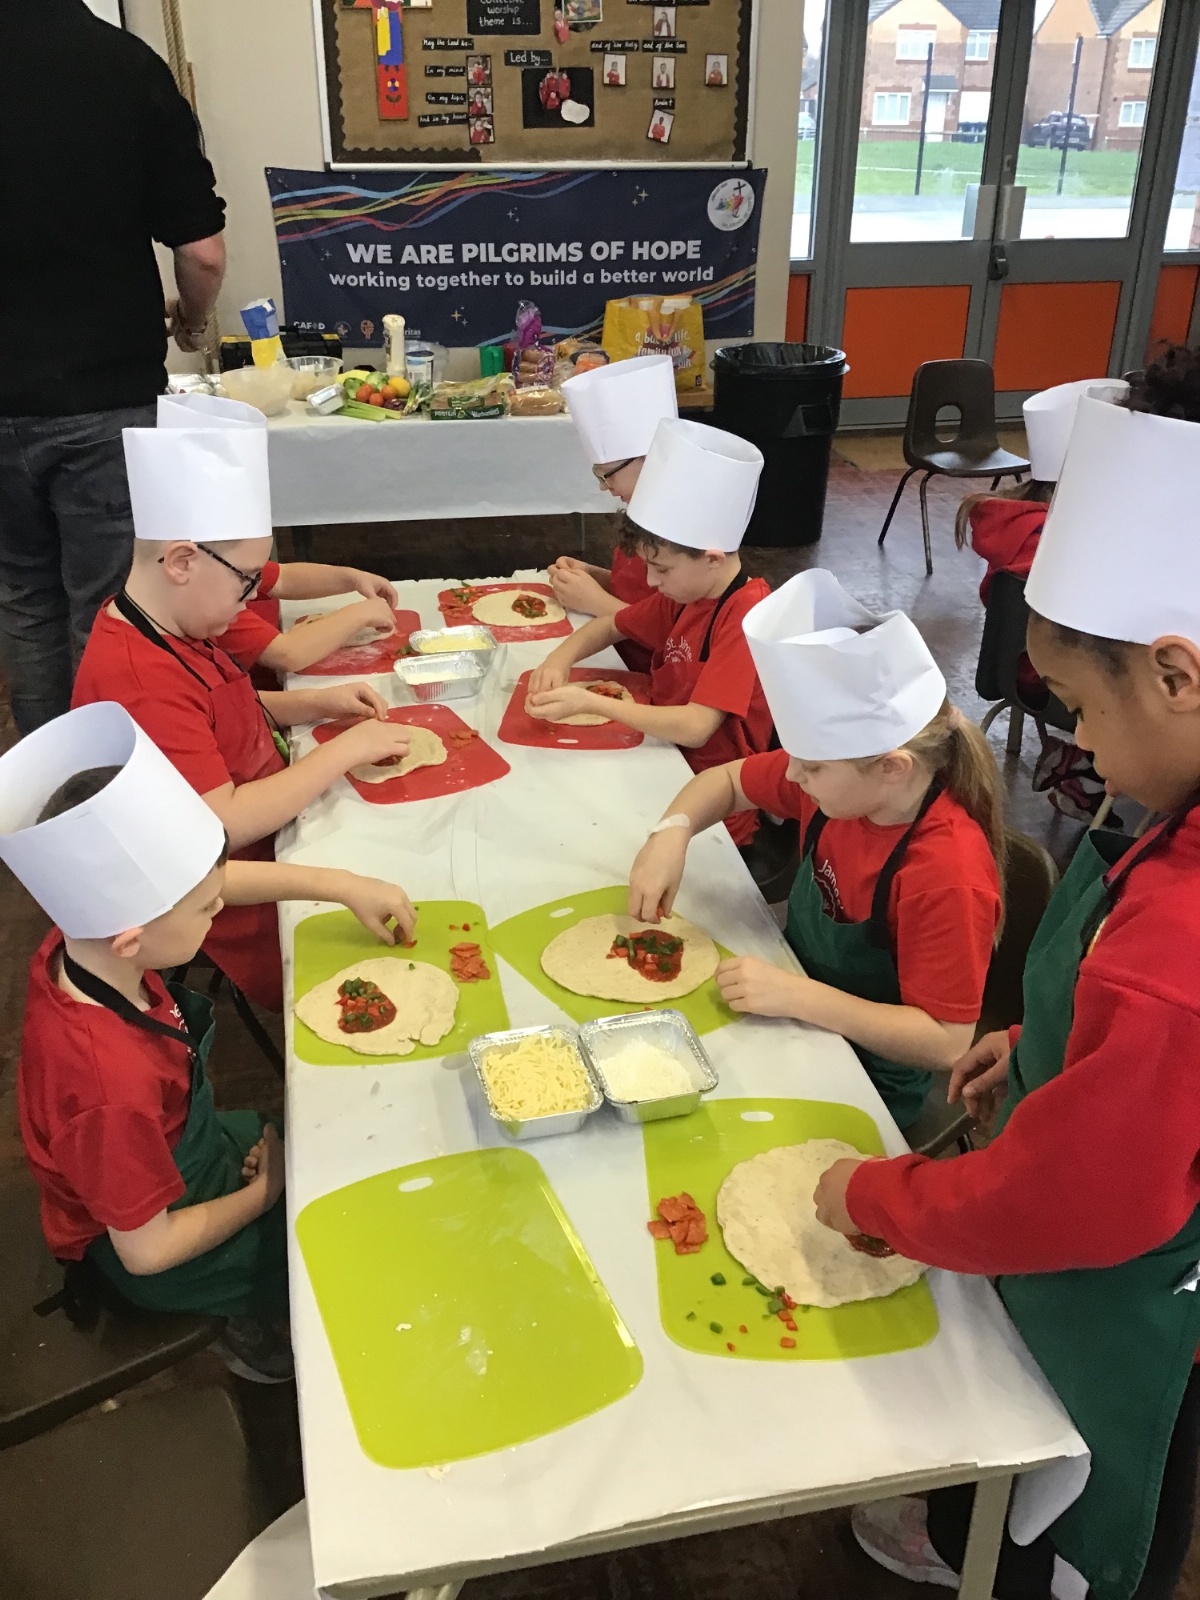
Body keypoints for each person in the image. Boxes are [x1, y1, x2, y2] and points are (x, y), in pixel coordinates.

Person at [818, 395, 1200, 1600]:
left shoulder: (1173, 950)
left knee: (1056, 1544)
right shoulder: (1170, 814)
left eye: (1079, 708)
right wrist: (1045, 1043)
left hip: (1130, 1320)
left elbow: (1070, 1196)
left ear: (1176, 674)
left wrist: (875, 1195)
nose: (1076, 747)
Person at [629, 570, 1004, 1130]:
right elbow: (726, 781)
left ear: (892, 767)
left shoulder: (947, 872)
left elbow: (945, 1041)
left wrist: (801, 998)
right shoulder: (840, 782)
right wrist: (672, 832)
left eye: (811, 767)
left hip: (867, 1074)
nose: (793, 776)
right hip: (789, 998)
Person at [71, 413, 414, 1012]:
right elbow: (222, 825)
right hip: (232, 888)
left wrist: (314, 703)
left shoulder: (171, 622)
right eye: (246, 583)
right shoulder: (139, 680)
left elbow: (219, 715)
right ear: (181, 562)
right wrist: (345, 749)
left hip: (278, 822)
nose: (255, 600)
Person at [9, 707, 280, 1378]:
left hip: (184, 1144)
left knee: (296, 1134)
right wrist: (266, 1193)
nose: (220, 911)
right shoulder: (108, 1088)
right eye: (208, 909)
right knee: (315, 1246)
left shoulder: (83, 948)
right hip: (143, 1246)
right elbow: (148, 1252)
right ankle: (252, 1335)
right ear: (132, 940)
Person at [0, 0, 226, 734]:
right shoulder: (124, 65)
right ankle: (110, 787)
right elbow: (201, 252)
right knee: (109, 613)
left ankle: (46, 788)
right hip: (103, 397)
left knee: (24, 605)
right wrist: (192, 321)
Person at [528, 418, 772, 848]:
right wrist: (558, 659)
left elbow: (696, 727)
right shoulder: (686, 593)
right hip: (662, 759)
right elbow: (610, 624)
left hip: (710, 812)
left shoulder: (746, 616)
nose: (651, 582)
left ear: (712, 559)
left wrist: (589, 702)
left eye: (661, 569)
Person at [157, 394, 401, 678]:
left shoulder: (222, 571)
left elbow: (282, 577)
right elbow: (287, 654)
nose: (252, 593)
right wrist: (360, 613)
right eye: (248, 579)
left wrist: (350, 578)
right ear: (182, 562)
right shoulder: (209, 601)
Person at [549, 354, 679, 627]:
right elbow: (638, 593)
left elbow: (669, 631)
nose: (602, 486)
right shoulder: (638, 512)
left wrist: (596, 602)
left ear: (648, 458)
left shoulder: (680, 532)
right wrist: (592, 577)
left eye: (607, 474)